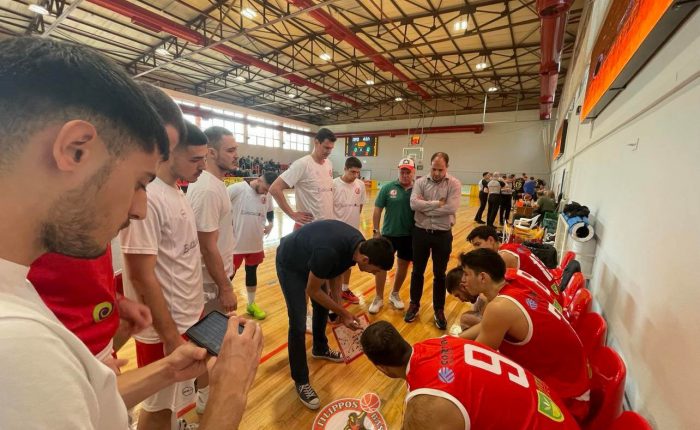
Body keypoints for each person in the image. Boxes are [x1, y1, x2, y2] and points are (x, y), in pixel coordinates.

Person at [0, 37, 261, 430]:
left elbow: (86, 403)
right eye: (139, 182)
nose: (139, 208)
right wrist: (230, 394)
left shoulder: (19, 294)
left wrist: (165, 370)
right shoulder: (18, 345)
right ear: (74, 150)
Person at [119, 121, 211, 429]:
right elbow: (140, 276)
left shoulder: (176, 190)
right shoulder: (150, 197)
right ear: (169, 153)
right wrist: (170, 337)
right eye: (195, 159)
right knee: (157, 407)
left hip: (186, 316)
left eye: (204, 158)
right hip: (165, 329)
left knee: (174, 403)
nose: (203, 166)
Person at [360, 321, 581, 430]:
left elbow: (424, 414)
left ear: (382, 368)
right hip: (559, 414)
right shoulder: (438, 343)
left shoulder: (427, 406)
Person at [458, 249, 590, 420]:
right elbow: (486, 327)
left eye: (466, 274)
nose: (462, 281)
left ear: (483, 277)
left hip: (568, 402)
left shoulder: (499, 308)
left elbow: (478, 361)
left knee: (473, 402)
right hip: (577, 384)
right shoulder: (513, 284)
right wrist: (453, 340)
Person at [276, 220, 393, 409]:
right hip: (291, 264)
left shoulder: (358, 245)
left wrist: (338, 306)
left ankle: (320, 348)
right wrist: (344, 312)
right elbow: (312, 290)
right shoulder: (329, 252)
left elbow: (336, 273)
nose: (374, 274)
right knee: (298, 323)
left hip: (313, 260)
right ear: (365, 260)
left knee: (323, 307)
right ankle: (301, 380)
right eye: (376, 270)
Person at [405, 152, 462, 329]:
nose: (436, 173)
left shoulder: (454, 183)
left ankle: (439, 309)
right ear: (430, 166)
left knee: (440, 274)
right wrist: (438, 204)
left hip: (442, 234)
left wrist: (425, 207)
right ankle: (414, 304)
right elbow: (414, 204)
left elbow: (451, 208)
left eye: (440, 170)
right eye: (434, 169)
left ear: (447, 168)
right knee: (417, 271)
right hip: (420, 233)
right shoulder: (420, 182)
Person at [228, 171, 279, 319]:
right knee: (228, 277)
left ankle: (251, 305)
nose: (266, 193)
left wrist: (271, 224)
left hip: (256, 244)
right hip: (235, 245)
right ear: (259, 180)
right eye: (265, 189)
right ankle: (220, 308)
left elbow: (270, 211)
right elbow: (219, 207)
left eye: (268, 191)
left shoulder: (267, 194)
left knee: (251, 273)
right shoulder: (237, 189)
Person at [467, 225, 562, 302]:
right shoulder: (511, 246)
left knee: (485, 300)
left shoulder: (504, 257)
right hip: (554, 293)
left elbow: (493, 291)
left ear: (491, 240)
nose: (475, 250)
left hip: (550, 300)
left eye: (478, 244)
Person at [368, 158, 415, 314]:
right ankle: (378, 297)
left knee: (403, 266)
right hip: (388, 234)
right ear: (398, 171)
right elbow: (377, 209)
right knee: (382, 266)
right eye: (402, 171)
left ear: (413, 172)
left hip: (408, 236)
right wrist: (376, 231)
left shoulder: (418, 190)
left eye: (408, 172)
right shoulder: (388, 188)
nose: (405, 174)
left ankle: (394, 294)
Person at [269, 127, 336, 228]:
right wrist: (292, 214)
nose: (329, 151)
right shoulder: (302, 164)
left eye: (331, 148)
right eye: (326, 147)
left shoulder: (329, 164)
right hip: (308, 227)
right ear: (316, 142)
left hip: (327, 226)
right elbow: (274, 188)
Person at [333, 156, 367, 304]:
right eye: (352, 172)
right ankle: (332, 292)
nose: (355, 175)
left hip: (352, 233)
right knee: (334, 264)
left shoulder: (360, 185)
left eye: (358, 172)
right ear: (345, 169)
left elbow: (360, 205)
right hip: (335, 232)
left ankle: (345, 289)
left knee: (349, 262)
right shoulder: (333, 184)